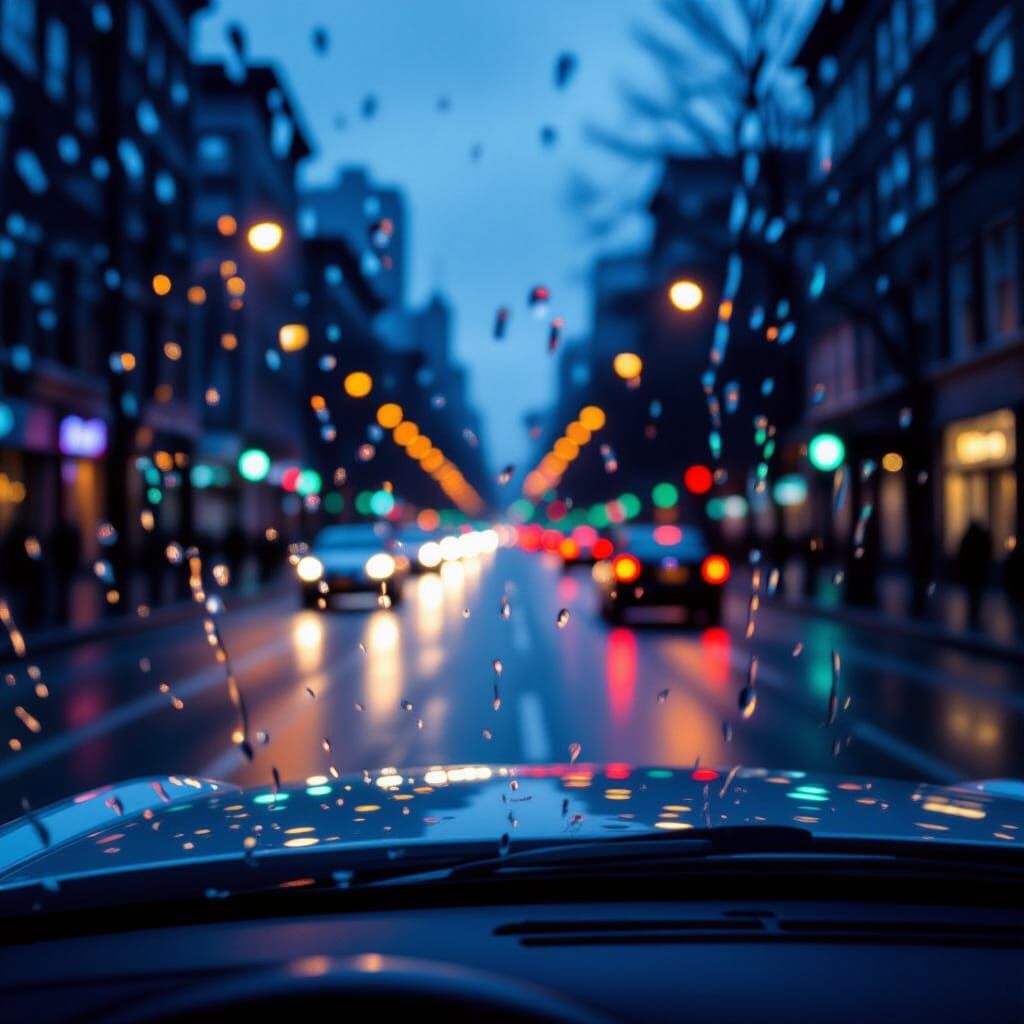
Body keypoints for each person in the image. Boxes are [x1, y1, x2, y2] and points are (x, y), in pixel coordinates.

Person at [955, 520, 991, 629]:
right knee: (976, 593)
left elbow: (962, 553)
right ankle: (974, 614)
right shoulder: (980, 537)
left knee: (973, 593)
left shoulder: (969, 537)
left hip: (972, 571)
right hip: (977, 571)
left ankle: (973, 614)